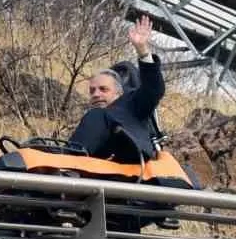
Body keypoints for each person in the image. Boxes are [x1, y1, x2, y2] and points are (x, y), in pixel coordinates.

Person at [66, 15, 165, 163]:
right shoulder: (92, 119)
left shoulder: (133, 104)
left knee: (96, 115)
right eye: (92, 91)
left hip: (131, 156)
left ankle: (67, 162)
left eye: (103, 89)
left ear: (119, 92)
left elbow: (153, 89)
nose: (96, 94)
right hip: (96, 163)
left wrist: (142, 50)